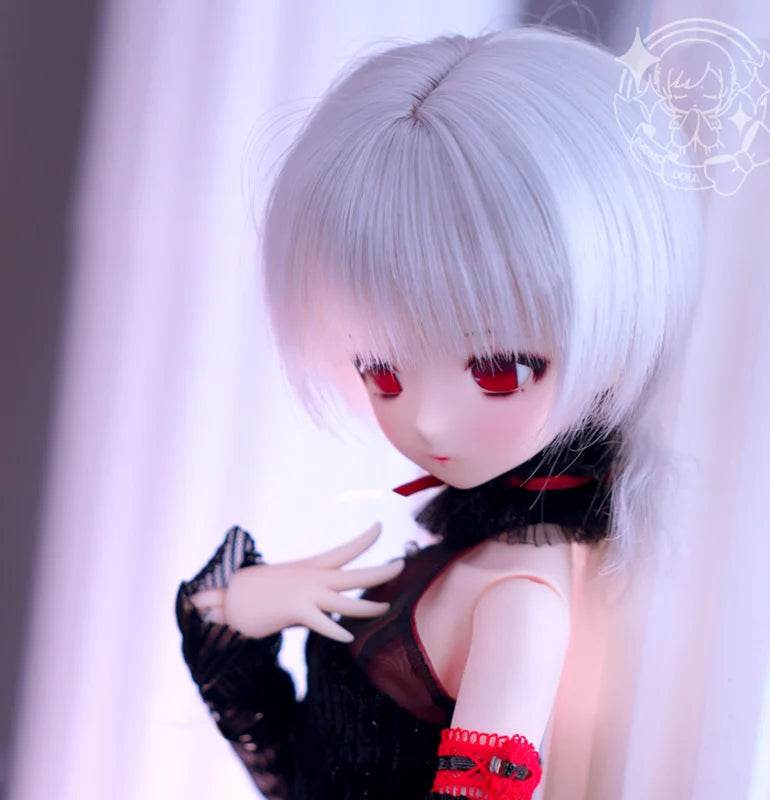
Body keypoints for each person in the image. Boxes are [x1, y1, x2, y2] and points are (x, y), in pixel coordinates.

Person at [176, 23, 703, 799]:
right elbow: (293, 763)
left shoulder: (520, 599)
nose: (425, 421)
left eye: (498, 371)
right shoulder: (475, 560)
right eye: (381, 372)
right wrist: (237, 611)